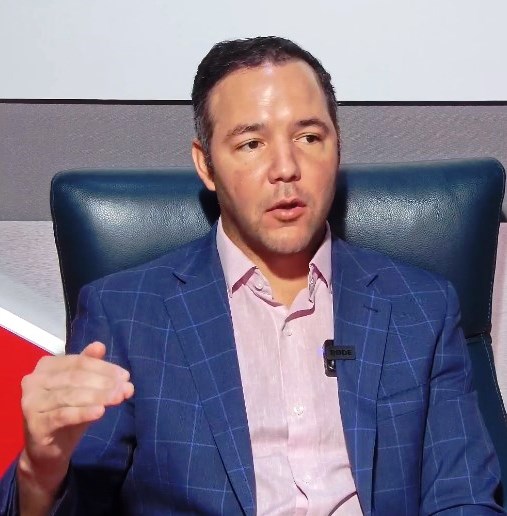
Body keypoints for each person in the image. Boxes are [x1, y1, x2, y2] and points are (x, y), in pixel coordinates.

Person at [0, 36, 503, 515]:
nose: (286, 168)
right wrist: (39, 472)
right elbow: (81, 502)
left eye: (309, 137)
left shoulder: (420, 307)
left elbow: (464, 496)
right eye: (251, 144)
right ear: (206, 165)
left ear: (337, 147)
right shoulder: (127, 315)